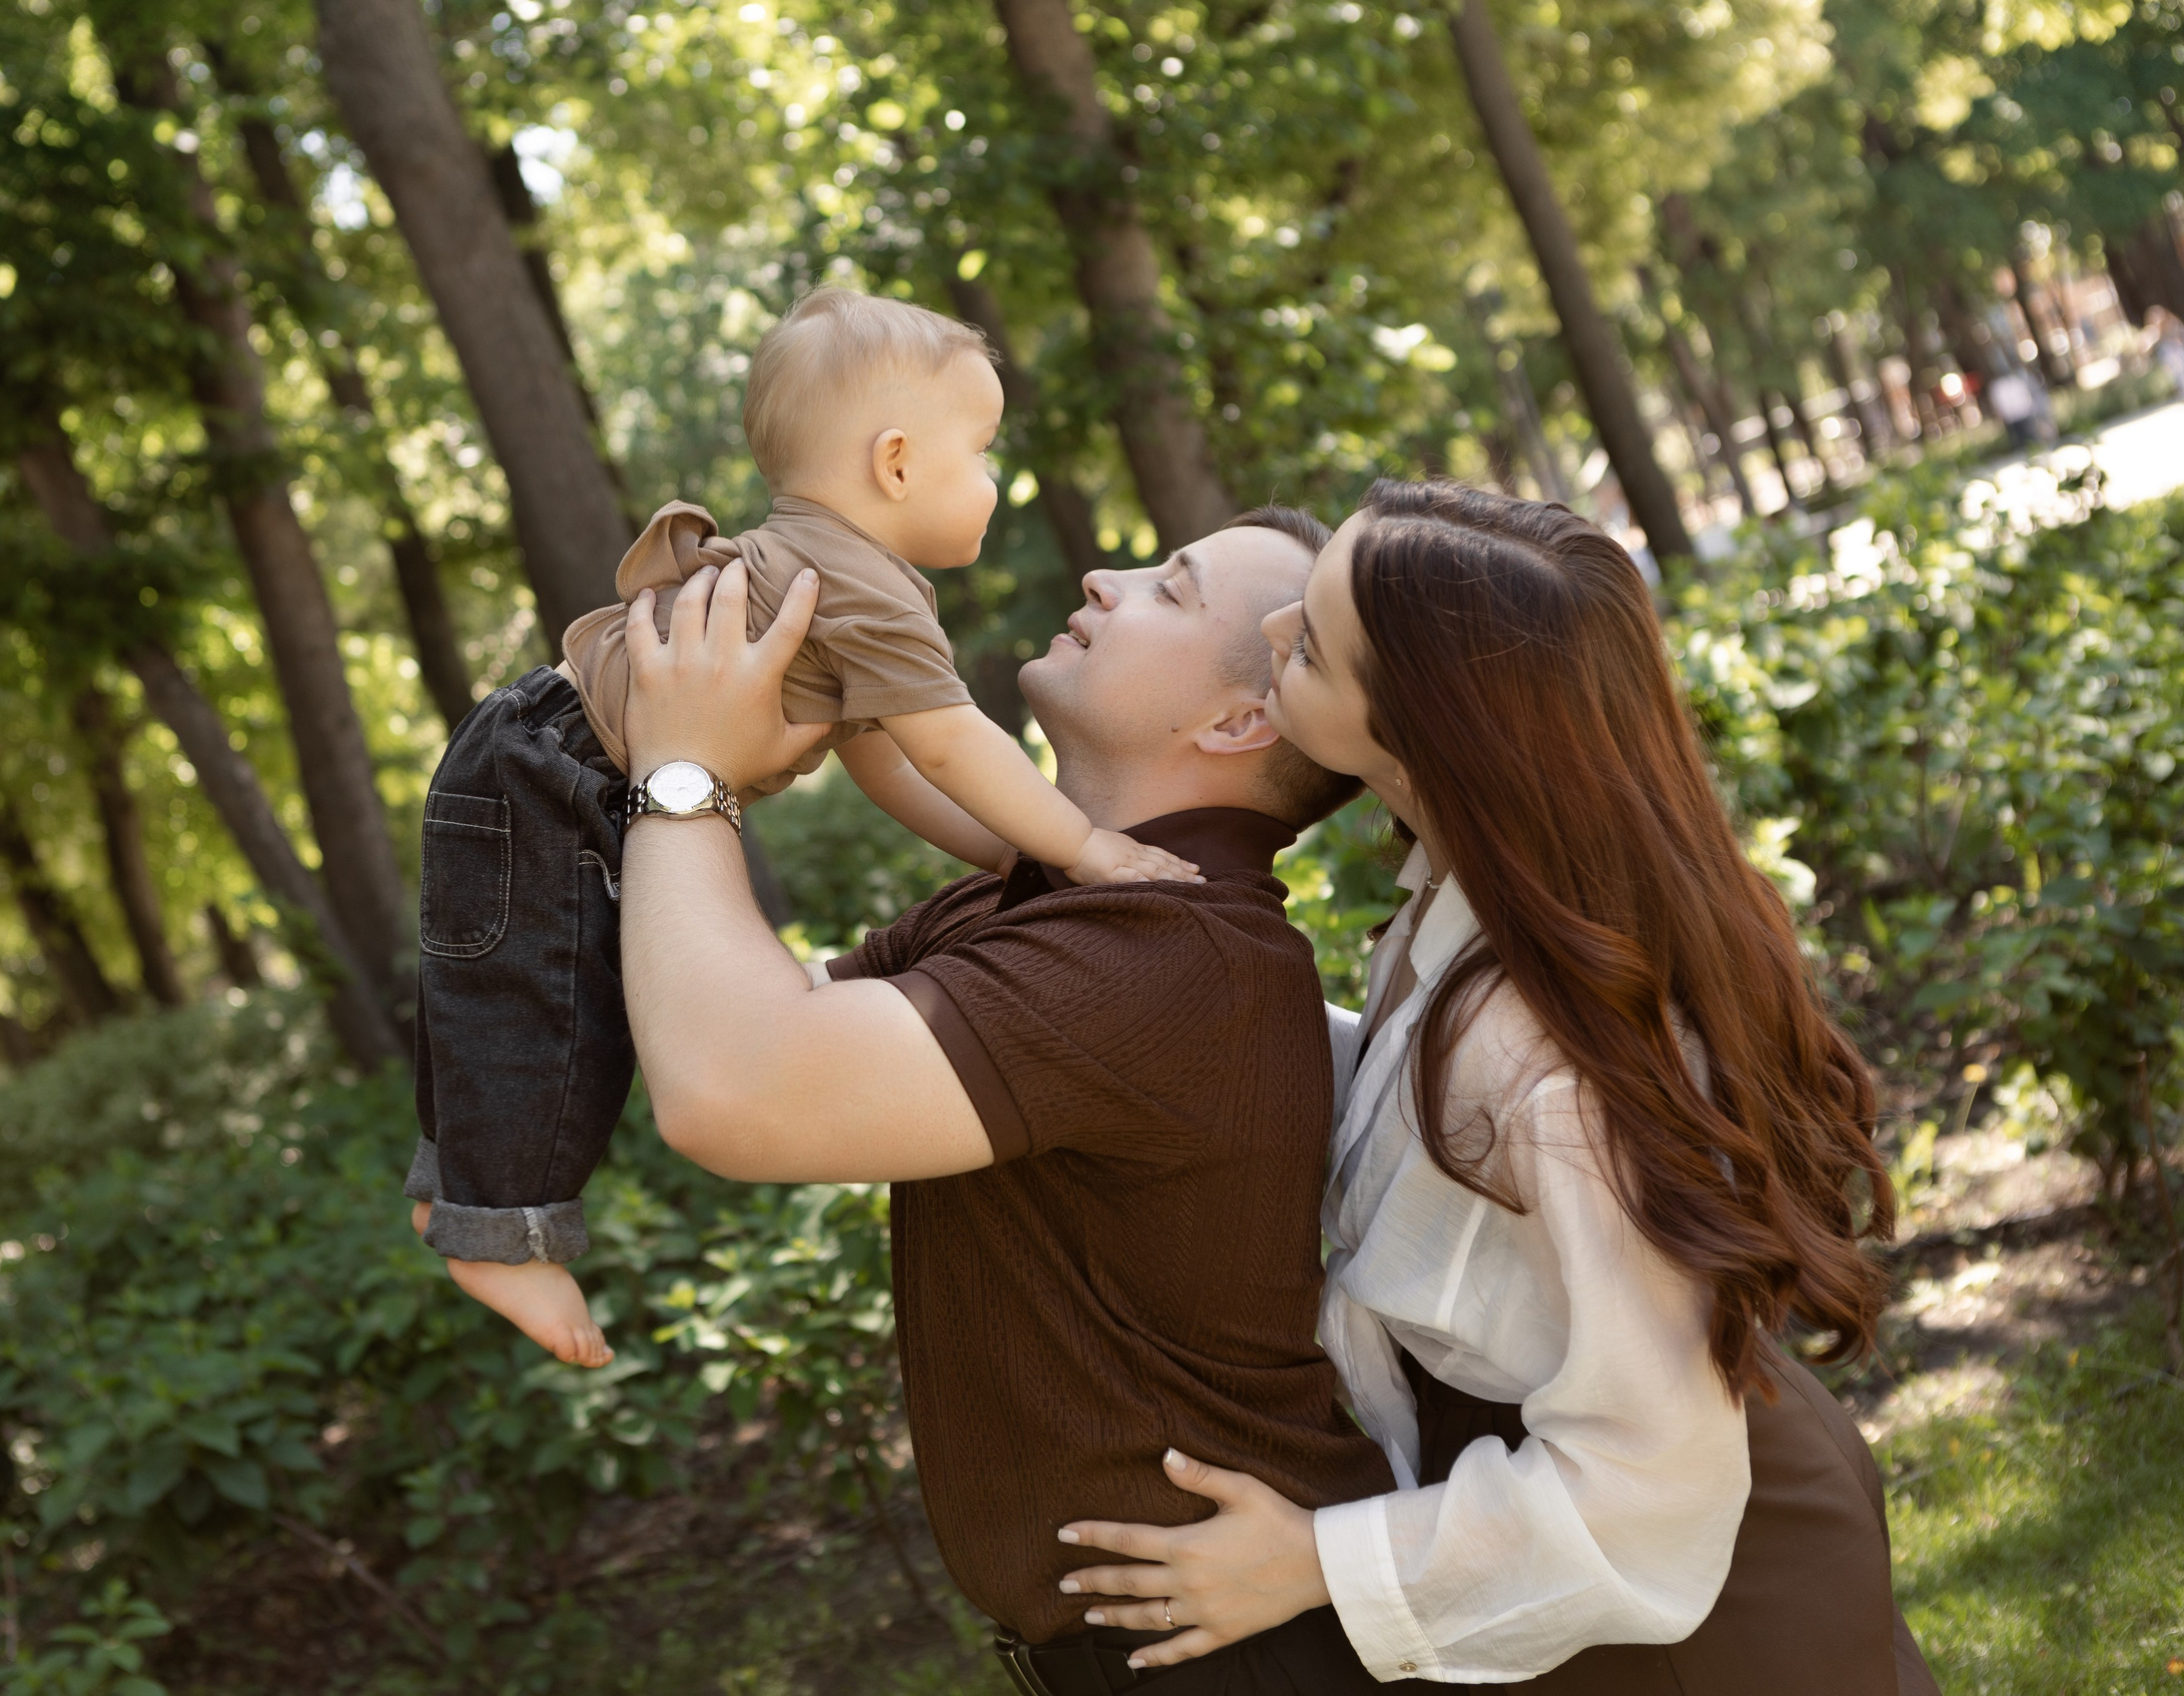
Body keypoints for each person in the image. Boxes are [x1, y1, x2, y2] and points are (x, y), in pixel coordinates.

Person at [1054, 480, 1940, 1692]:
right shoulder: (1471, 911)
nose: (1270, 631)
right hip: (1606, 1519)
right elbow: (1402, 1115)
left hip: (1677, 1574)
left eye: (1309, 646)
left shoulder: (1542, 1055)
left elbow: (1651, 1482)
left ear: (1421, 739)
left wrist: (1312, 1562)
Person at [534, 509, 1426, 1694]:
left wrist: (683, 774)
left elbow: (731, 1093)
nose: (1102, 576)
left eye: (1168, 588)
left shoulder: (1171, 956)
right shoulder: (1038, 907)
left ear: (1235, 721)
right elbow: (713, 1022)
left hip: (1244, 1662)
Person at [402, 287, 1194, 1368]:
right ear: (897, 463)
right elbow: (951, 746)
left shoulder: (833, 574)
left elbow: (884, 762)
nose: (994, 478)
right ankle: (501, 1233)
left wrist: (1013, 853)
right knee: (550, 993)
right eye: (982, 451)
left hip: (533, 747)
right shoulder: (867, 591)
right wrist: (1086, 846)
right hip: (551, 769)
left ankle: (459, 1193)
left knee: (521, 984)